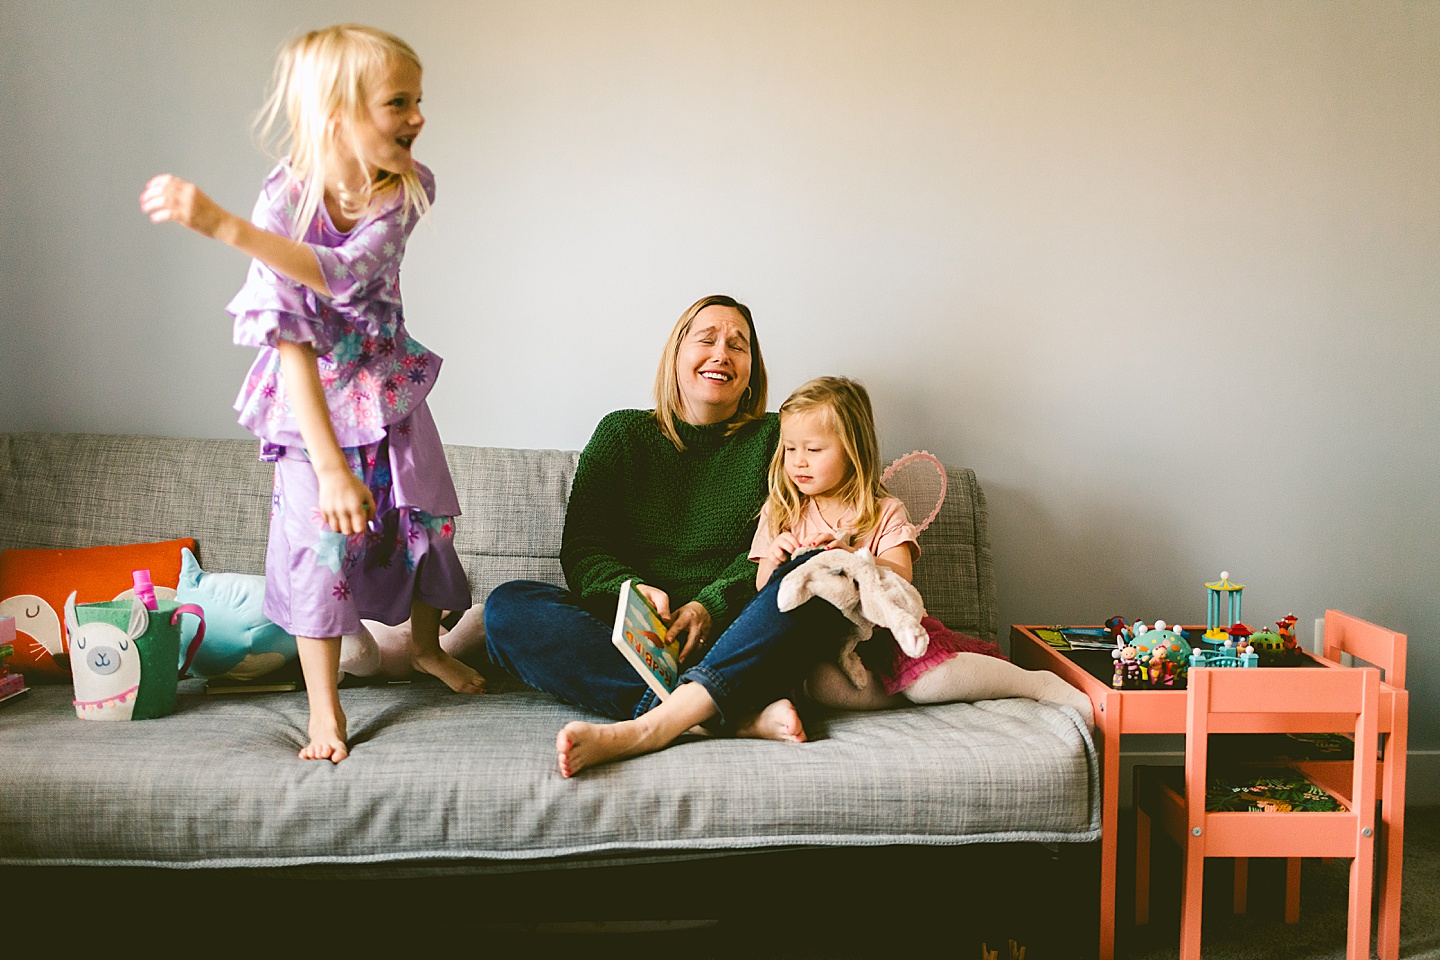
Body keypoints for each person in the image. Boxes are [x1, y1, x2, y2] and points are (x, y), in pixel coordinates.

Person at [139, 24, 483, 764]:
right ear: (338, 113)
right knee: (318, 552)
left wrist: (222, 227)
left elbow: (348, 274)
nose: (419, 116)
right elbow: (291, 343)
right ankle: (324, 710)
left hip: (387, 387)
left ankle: (424, 647)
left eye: (419, 99)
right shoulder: (281, 203)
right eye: (399, 102)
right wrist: (328, 465)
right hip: (307, 413)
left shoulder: (408, 189)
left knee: (425, 520)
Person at [483, 295, 852, 777]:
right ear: (676, 355)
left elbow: (787, 539)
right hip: (632, 641)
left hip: (736, 635)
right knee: (509, 607)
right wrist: (629, 590)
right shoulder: (622, 434)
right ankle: (722, 718)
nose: (722, 353)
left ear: (751, 370)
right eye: (707, 340)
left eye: (738, 346)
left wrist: (708, 605)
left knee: (814, 574)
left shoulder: (778, 439)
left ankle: (655, 725)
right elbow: (583, 547)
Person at [753, 376, 1094, 723]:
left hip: (890, 638)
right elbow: (764, 592)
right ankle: (897, 696)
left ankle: (1034, 683)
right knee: (820, 687)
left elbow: (902, 575)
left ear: (853, 450)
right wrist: (775, 560)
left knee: (928, 682)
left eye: (812, 450)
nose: (797, 462)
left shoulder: (882, 510)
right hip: (828, 648)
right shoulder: (781, 510)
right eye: (790, 449)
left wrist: (852, 557)